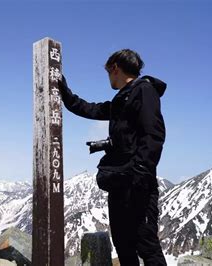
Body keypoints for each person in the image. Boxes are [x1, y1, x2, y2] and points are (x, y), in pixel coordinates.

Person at [58, 49, 168, 265]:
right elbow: (92, 109)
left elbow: (154, 136)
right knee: (123, 242)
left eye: (108, 72)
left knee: (146, 245)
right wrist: (66, 94)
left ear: (115, 68)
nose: (108, 77)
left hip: (137, 185)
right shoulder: (124, 98)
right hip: (120, 183)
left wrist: (139, 175)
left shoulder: (144, 91)